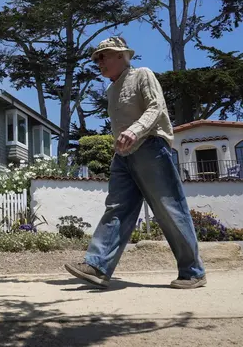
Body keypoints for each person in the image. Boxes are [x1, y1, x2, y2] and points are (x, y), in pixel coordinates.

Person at [64, 36, 206, 289]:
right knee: (117, 208)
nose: (99, 62)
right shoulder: (111, 89)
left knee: (168, 210)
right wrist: (119, 145)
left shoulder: (142, 74)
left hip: (150, 146)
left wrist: (136, 130)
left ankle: (193, 272)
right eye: (97, 58)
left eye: (104, 56)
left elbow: (157, 107)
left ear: (121, 55)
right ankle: (98, 265)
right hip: (123, 155)